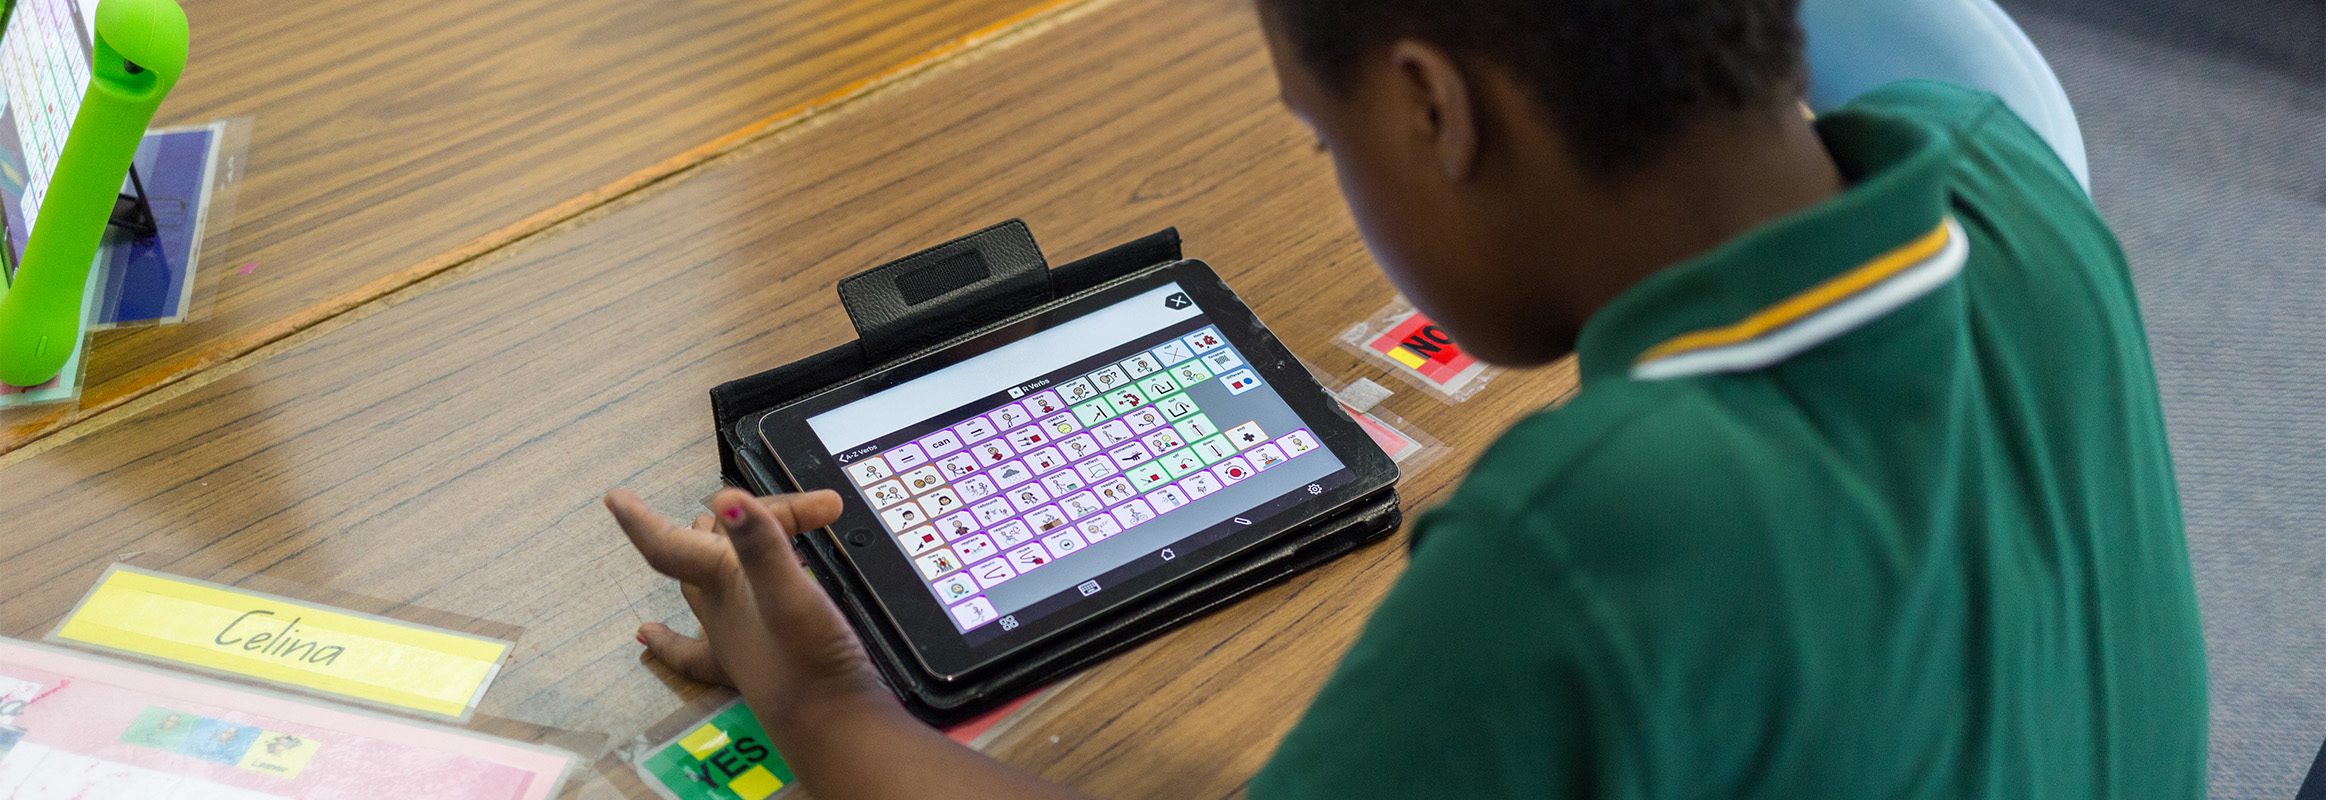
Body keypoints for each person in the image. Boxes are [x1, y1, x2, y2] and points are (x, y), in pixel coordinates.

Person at [601, 0, 2210, 796]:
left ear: (1434, 106)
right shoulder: (2012, 188)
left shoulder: (1603, 530)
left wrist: (821, 706)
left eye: (1324, 135)